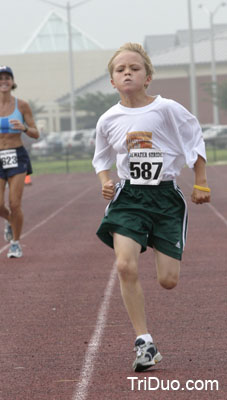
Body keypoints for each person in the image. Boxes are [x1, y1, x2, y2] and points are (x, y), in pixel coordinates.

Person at [92, 43, 211, 372]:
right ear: (112, 81)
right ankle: (144, 342)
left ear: (148, 77)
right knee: (125, 266)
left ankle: (160, 243)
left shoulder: (167, 108)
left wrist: (200, 181)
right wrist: (105, 179)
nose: (127, 72)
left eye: (134, 68)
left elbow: (194, 140)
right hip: (129, 197)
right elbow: (101, 158)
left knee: (168, 280)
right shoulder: (108, 119)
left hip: (166, 199)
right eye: (120, 69)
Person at [0, 66, 39, 258]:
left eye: (7, 78)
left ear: (12, 82)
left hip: (16, 155)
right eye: (0, 78)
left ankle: (15, 243)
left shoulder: (22, 106)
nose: (3, 81)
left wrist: (24, 127)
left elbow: (36, 133)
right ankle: (10, 221)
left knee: (14, 203)